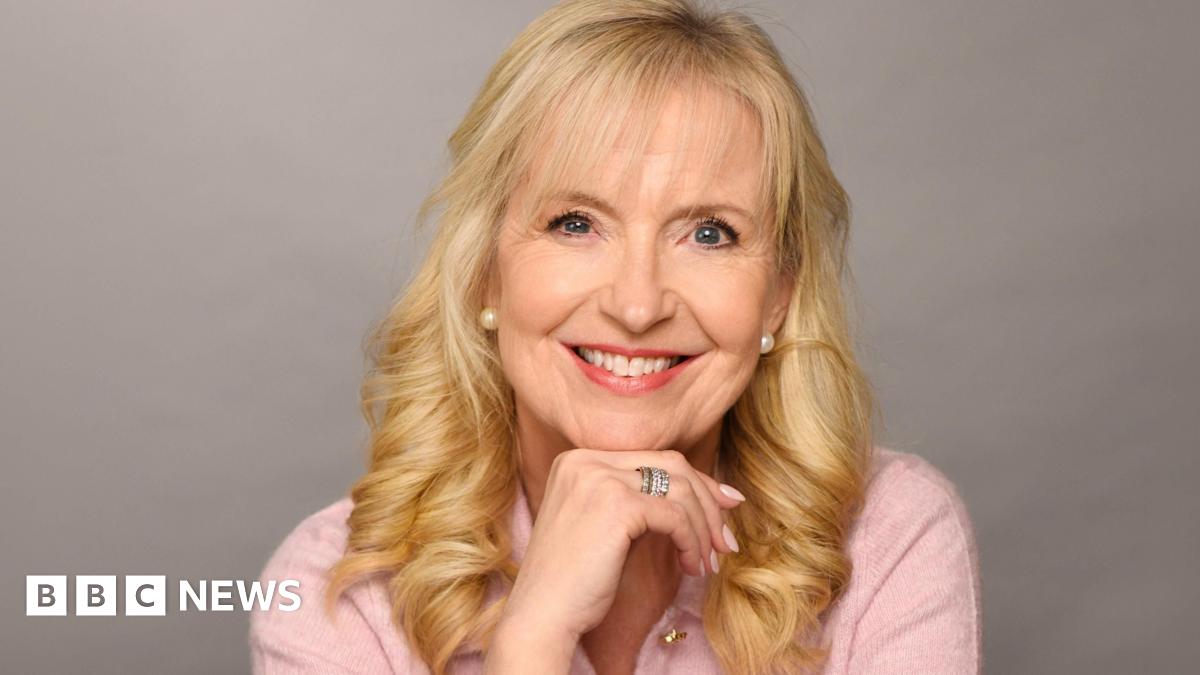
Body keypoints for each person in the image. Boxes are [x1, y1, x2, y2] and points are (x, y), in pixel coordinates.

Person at [249, 0, 983, 673]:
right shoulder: (336, 598)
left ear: (778, 296)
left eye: (708, 232)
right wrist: (530, 640)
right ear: (486, 276)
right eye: (576, 223)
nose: (637, 305)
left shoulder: (888, 536)